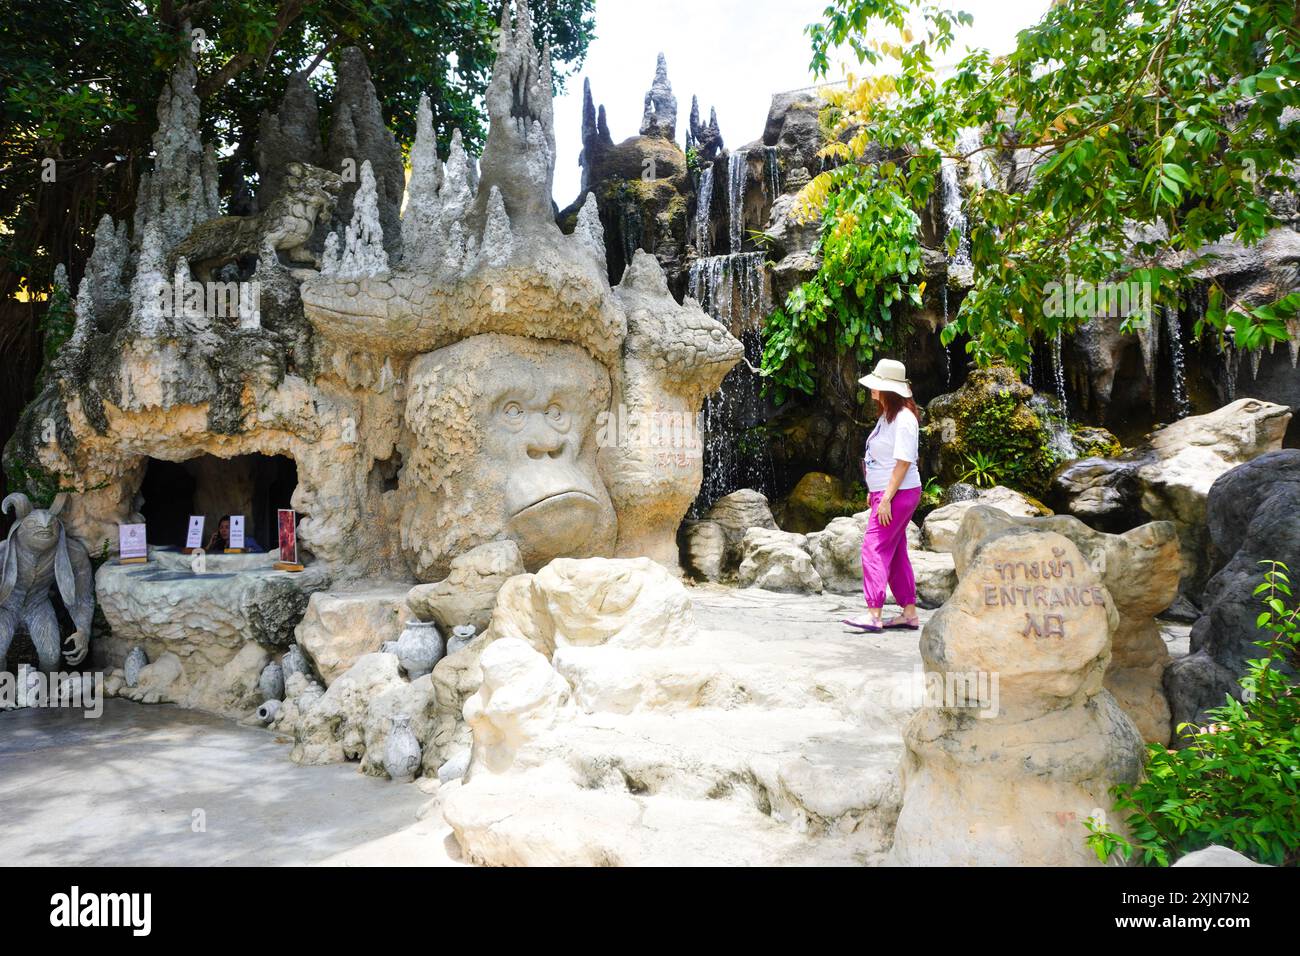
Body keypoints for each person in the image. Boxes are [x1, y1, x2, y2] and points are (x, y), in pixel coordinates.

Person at [843, 358, 922, 633]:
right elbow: (882, 459)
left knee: (873, 547)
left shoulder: (904, 420)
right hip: (888, 493)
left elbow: (903, 462)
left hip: (897, 494)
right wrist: (874, 491)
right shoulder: (888, 417)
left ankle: (874, 614)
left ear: (889, 390)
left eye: (877, 386)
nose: (872, 390)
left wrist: (886, 497)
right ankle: (909, 612)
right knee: (896, 551)